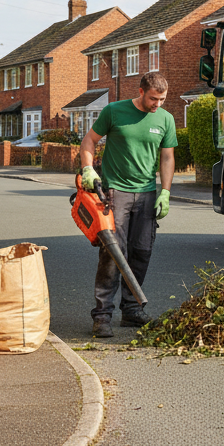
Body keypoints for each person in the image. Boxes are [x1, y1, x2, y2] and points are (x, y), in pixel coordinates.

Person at [79, 71, 178, 338]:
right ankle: (102, 316)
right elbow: (89, 141)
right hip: (115, 193)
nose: (158, 104)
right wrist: (88, 169)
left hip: (146, 194)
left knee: (141, 251)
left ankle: (132, 311)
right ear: (141, 91)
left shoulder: (166, 119)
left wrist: (165, 192)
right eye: (154, 98)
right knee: (113, 254)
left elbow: (167, 158)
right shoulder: (114, 111)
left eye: (163, 99)